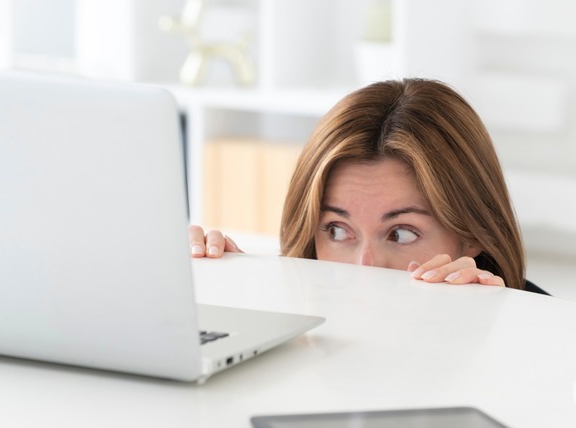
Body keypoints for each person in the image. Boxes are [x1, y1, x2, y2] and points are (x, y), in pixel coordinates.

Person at [189, 78, 547, 294]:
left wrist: (490, 328)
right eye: (336, 230)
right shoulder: (302, 326)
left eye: (401, 234)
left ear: (472, 235)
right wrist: (223, 290)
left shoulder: (547, 341)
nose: (364, 267)